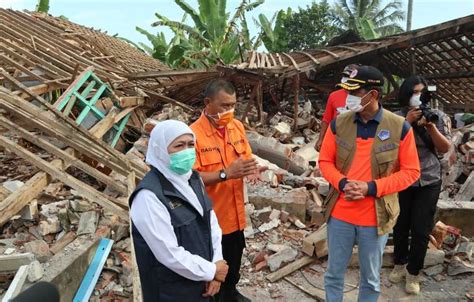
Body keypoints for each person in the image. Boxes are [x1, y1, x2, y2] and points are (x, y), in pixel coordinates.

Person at [318, 66, 421, 302]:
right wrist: (342, 183)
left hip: (375, 218)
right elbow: (324, 161)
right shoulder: (339, 123)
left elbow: (411, 172)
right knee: (334, 274)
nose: (349, 98)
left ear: (372, 94)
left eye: (355, 92)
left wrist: (370, 188)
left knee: (371, 279)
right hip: (340, 215)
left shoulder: (398, 127)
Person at [129, 120, 229, 302]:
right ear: (160, 150)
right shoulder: (149, 196)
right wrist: (211, 270)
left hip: (202, 284)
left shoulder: (193, 179)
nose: (187, 151)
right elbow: (168, 253)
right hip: (171, 292)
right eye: (178, 146)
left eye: (191, 145)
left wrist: (216, 266)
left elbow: (211, 222)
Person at [191, 79, 264, 302]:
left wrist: (252, 169)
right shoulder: (192, 135)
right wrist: (225, 174)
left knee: (233, 264)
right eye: (224, 106)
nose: (229, 111)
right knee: (211, 274)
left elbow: (246, 157)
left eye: (232, 105)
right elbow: (189, 180)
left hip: (235, 217)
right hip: (210, 220)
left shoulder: (236, 127)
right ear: (208, 102)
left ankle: (231, 293)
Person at [389, 76, 452, 295]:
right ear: (406, 94)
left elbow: (445, 148)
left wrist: (432, 127)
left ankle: (413, 274)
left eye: (422, 93)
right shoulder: (396, 118)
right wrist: (406, 122)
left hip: (429, 178)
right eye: (415, 92)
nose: (419, 96)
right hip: (403, 177)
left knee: (421, 229)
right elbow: (387, 147)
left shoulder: (438, 116)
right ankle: (399, 263)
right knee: (400, 223)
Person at [315, 64, 359, 151]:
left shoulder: (363, 97)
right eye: (344, 76)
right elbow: (326, 119)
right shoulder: (334, 96)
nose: (346, 78)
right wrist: (321, 139)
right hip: (336, 138)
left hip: (355, 140)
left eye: (349, 76)